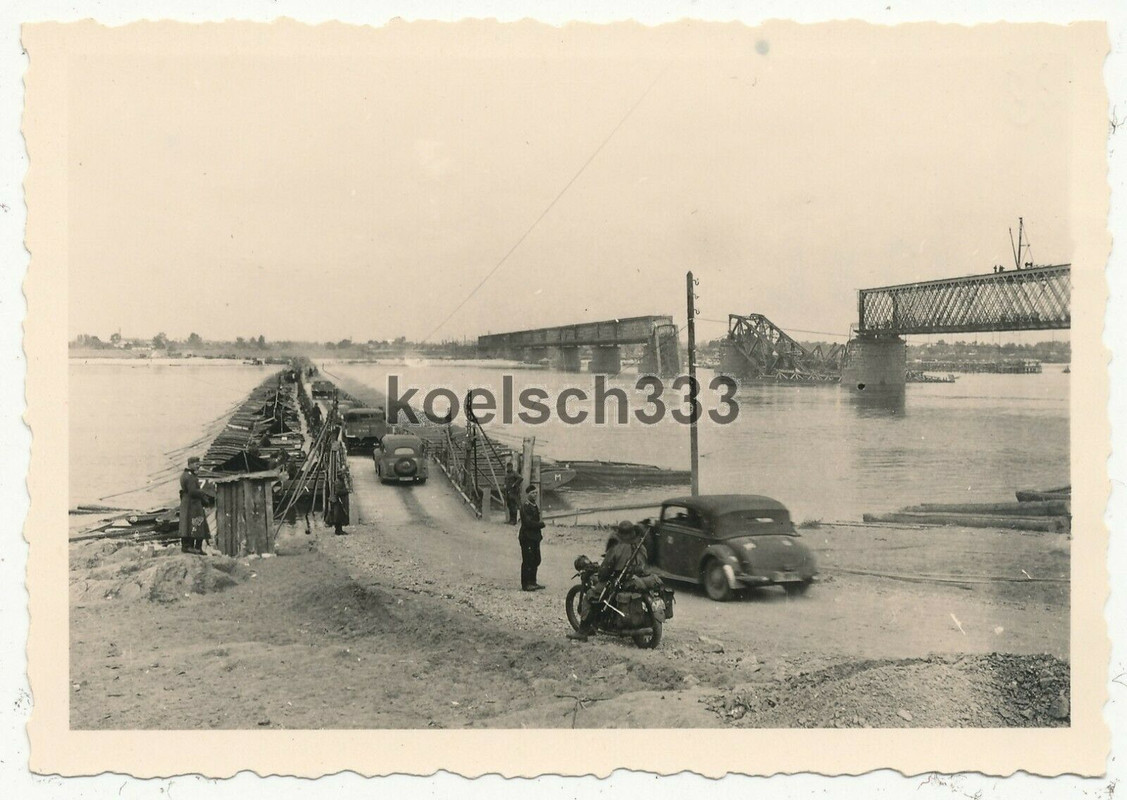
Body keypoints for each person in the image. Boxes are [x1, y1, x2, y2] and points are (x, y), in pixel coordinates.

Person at [568, 520, 648, 642]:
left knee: (590, 595)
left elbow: (604, 571)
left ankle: (582, 632)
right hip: (635, 579)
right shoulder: (640, 547)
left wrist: (601, 574)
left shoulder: (616, 548)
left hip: (620, 581)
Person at [178, 457, 211, 555]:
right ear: (190, 464)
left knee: (191, 525)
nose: (198, 465)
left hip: (190, 503)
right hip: (192, 504)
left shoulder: (187, 475)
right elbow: (193, 491)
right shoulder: (189, 476)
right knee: (194, 524)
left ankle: (193, 547)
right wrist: (203, 493)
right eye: (196, 463)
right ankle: (192, 547)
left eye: (198, 463)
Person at [518, 485, 546, 591]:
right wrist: (541, 525)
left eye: (536, 493)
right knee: (527, 560)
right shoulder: (525, 506)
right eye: (532, 493)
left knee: (536, 559)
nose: (535, 495)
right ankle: (526, 584)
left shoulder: (534, 505)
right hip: (527, 537)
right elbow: (528, 523)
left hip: (534, 537)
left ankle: (533, 582)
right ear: (528, 494)